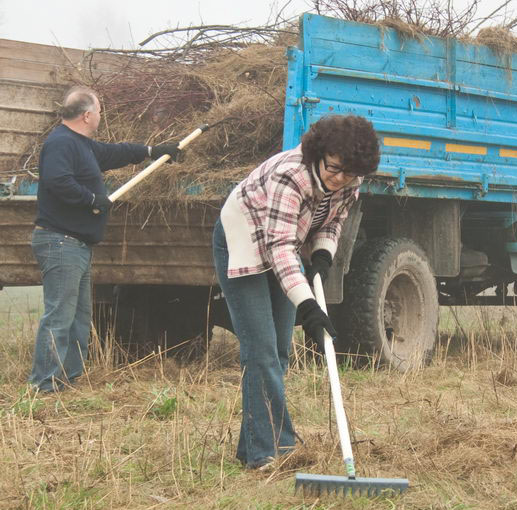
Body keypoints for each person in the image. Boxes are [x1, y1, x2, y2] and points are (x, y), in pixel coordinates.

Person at [213, 114, 380, 470]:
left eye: (349, 174)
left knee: (279, 351)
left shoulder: (351, 179)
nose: (340, 179)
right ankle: (272, 452)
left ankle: (254, 445)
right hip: (244, 240)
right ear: (320, 154)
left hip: (286, 243)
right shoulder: (290, 175)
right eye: (334, 169)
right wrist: (308, 306)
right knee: (260, 351)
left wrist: (322, 255)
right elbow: (280, 249)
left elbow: (333, 221)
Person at [30, 85, 181, 393]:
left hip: (77, 245)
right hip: (60, 243)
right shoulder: (61, 144)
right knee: (59, 315)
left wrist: (152, 151)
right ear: (87, 115)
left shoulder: (83, 145)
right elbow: (58, 181)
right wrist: (92, 201)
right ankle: (44, 386)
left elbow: (114, 152)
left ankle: (67, 381)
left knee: (78, 318)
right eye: (99, 111)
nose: (100, 115)